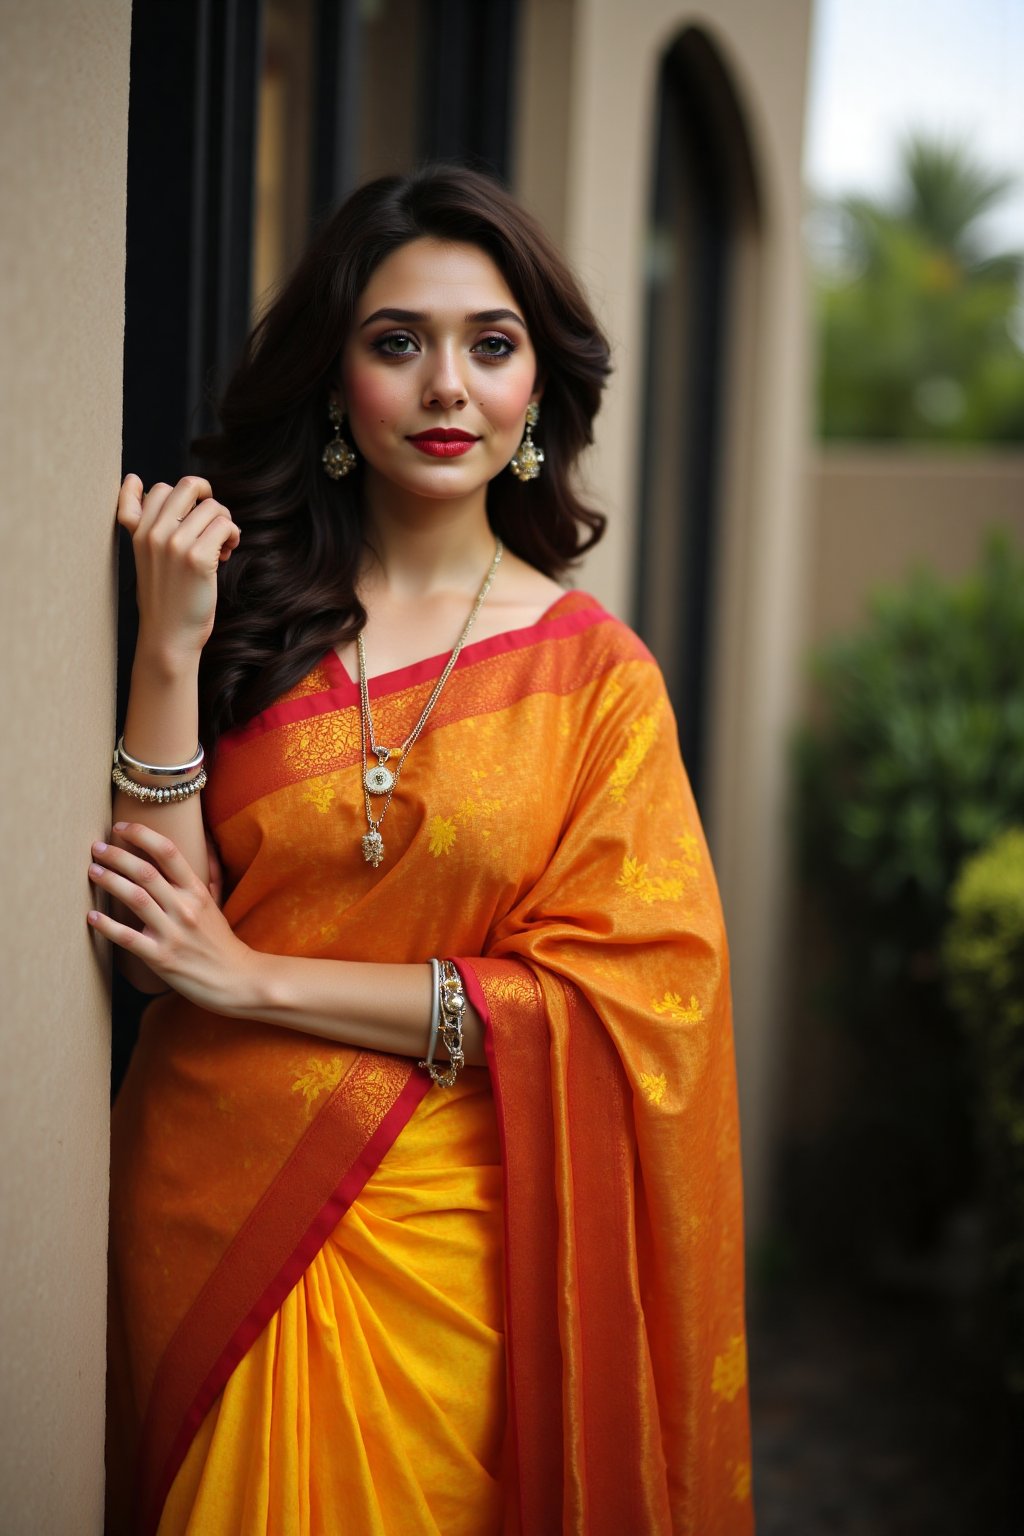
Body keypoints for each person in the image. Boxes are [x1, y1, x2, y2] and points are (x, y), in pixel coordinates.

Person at [93, 164, 752, 1536]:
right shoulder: (246, 612)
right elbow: (161, 936)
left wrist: (257, 982)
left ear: (533, 393)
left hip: (459, 1261)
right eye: (400, 342)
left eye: (489, 345)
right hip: (216, 1211)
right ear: (337, 380)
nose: (447, 385)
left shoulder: (598, 685)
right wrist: (170, 644)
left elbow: (625, 1005)